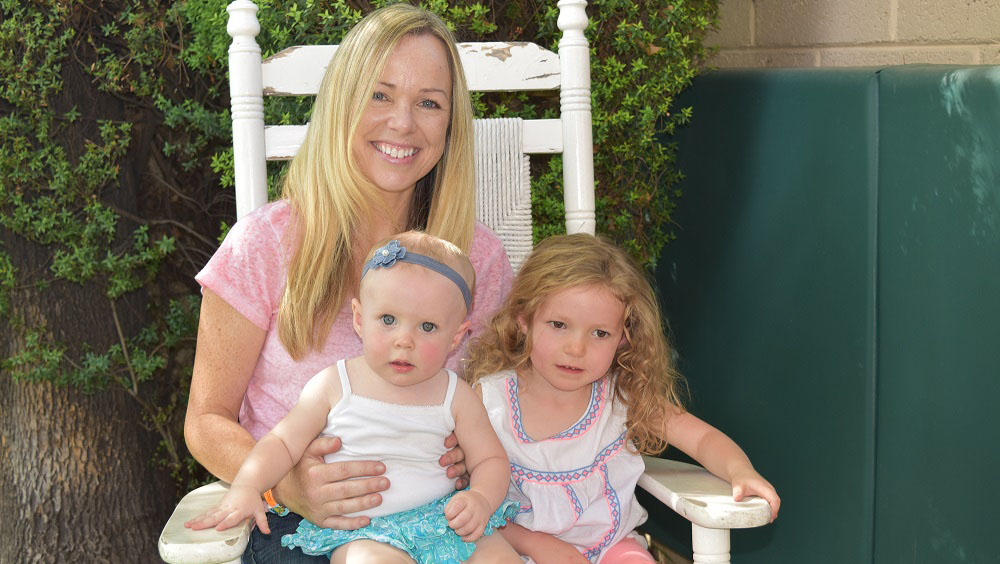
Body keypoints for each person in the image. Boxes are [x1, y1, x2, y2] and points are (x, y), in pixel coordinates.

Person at [184, 5, 514, 563]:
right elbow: (205, 422)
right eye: (379, 95)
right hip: (305, 529)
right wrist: (287, 484)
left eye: (429, 103)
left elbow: (507, 403)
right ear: (341, 104)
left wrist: (475, 457)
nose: (402, 124)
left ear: (451, 125)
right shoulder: (266, 244)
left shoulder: (475, 259)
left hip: (444, 526)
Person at [187, 233, 520, 563]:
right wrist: (247, 485)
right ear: (360, 319)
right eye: (388, 320)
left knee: (497, 556)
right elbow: (281, 444)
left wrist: (480, 498)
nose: (404, 340)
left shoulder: (455, 395)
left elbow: (490, 459)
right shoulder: (335, 384)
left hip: (444, 521)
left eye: (428, 327)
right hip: (364, 531)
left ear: (456, 337)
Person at [465, 234, 781, 563]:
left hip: (611, 550)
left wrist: (740, 471)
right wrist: (537, 545)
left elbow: (702, 439)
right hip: (515, 550)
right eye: (558, 325)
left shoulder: (620, 399)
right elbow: (460, 494)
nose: (576, 348)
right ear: (524, 321)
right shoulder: (489, 402)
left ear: (623, 339)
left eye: (600, 333)